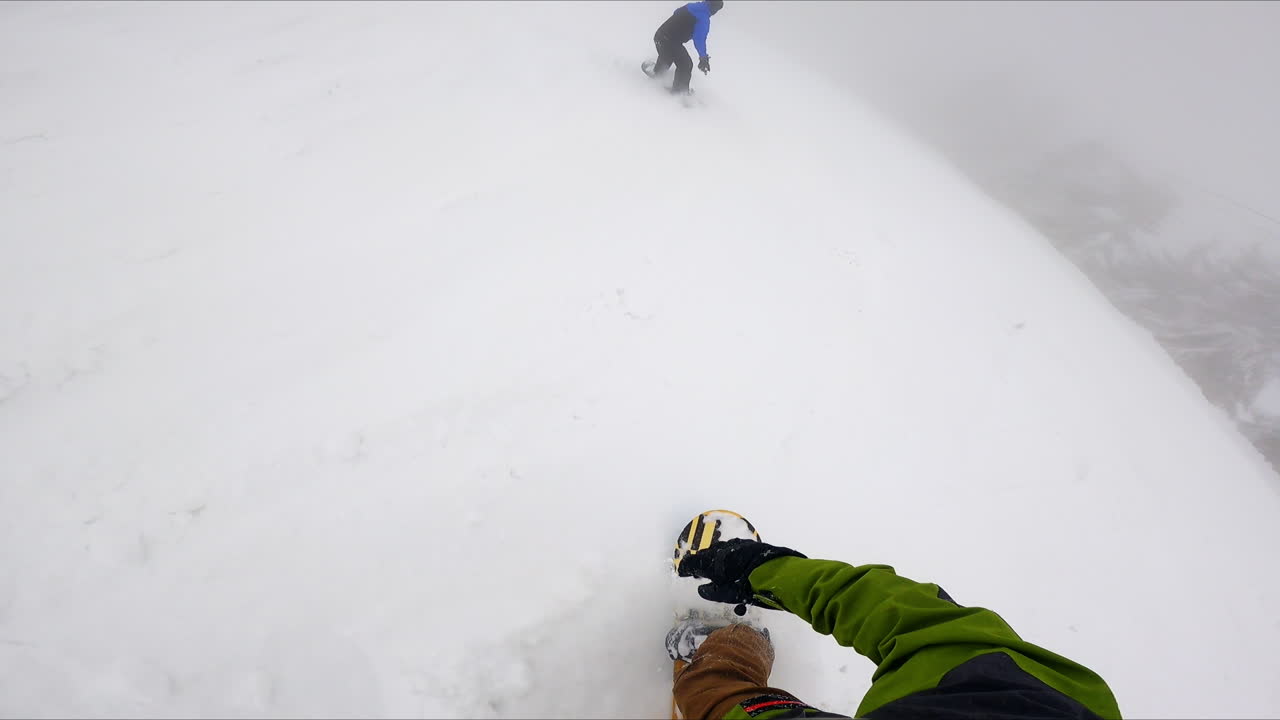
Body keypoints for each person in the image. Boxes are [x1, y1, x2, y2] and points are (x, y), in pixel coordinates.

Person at [669, 538, 1122, 719]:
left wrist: (765, 572)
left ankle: (720, 652)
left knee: (715, 697)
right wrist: (767, 572)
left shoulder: (1043, 692)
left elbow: (897, 612)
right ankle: (733, 646)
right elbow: (895, 611)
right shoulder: (1021, 686)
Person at [642, 0, 723, 95]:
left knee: (668, 55)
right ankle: (680, 91)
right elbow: (699, 39)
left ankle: (658, 72)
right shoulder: (703, 19)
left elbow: (676, 12)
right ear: (714, 9)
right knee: (686, 65)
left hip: (659, 36)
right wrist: (703, 58)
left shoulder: (692, 6)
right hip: (670, 42)